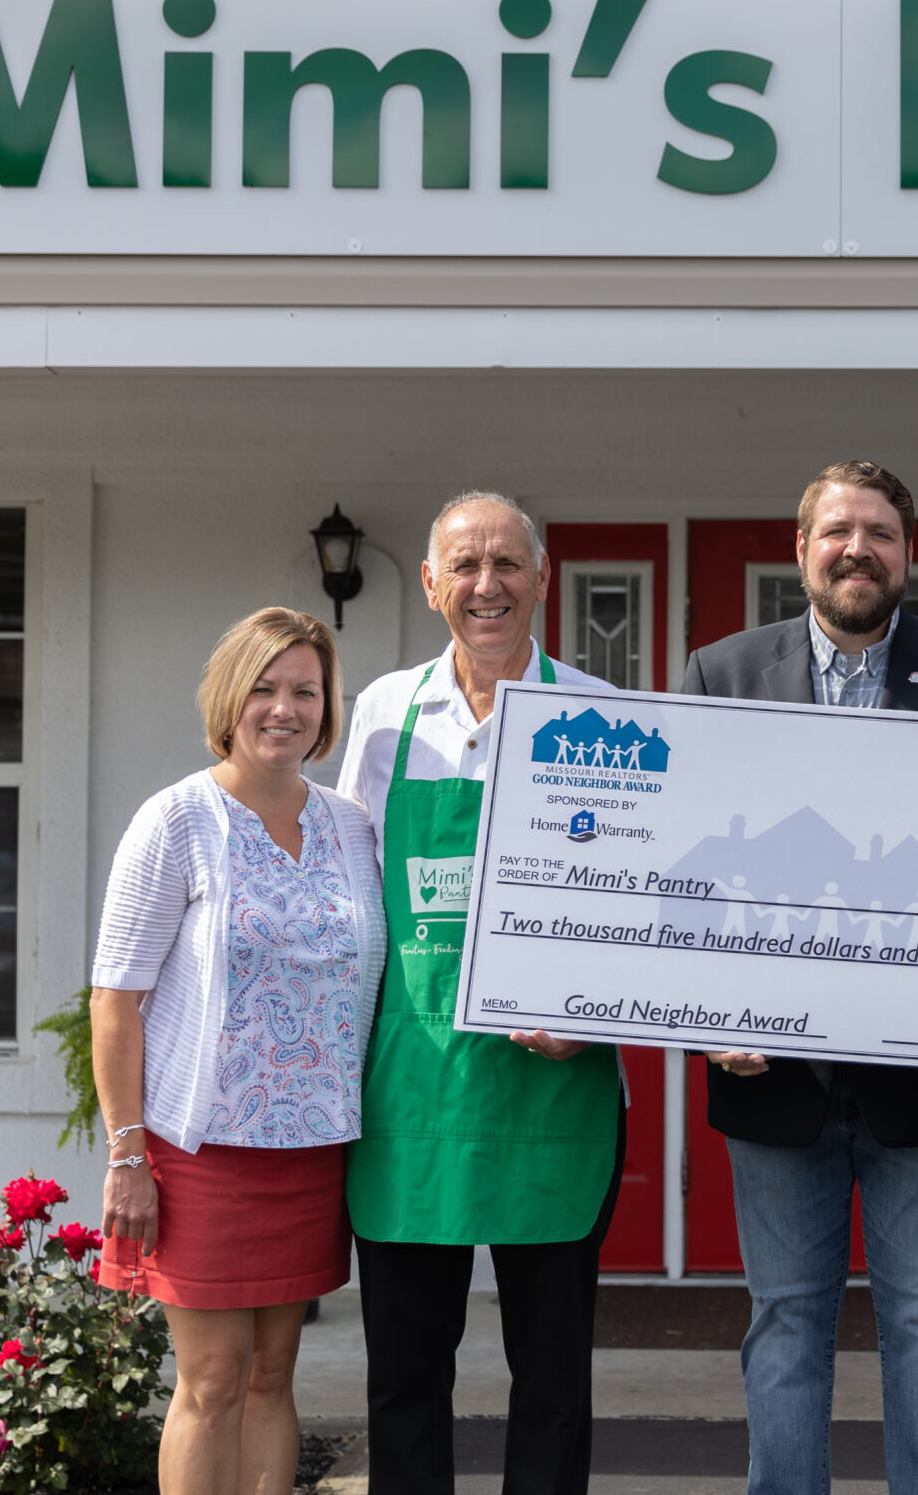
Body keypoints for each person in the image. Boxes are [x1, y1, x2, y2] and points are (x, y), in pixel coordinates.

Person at [680, 459, 918, 1495]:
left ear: (906, 555)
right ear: (801, 551)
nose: (857, 549)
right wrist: (706, 1012)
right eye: (837, 530)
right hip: (771, 1078)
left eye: (878, 532)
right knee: (785, 1321)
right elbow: (686, 865)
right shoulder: (722, 674)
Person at [336, 491, 624, 1495]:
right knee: (406, 1374)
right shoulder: (381, 713)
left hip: (556, 1094)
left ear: (542, 580)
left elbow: (636, 907)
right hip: (410, 1089)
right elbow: (349, 895)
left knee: (551, 1379)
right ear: (429, 583)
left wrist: (592, 1015)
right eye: (464, 565)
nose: (486, 585)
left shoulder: (605, 720)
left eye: (507, 564)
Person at [90, 607, 388, 1495]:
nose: (285, 708)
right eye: (264, 687)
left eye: (306, 689)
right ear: (229, 697)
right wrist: (128, 1151)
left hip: (312, 1150)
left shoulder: (350, 826)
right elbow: (115, 999)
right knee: (213, 1380)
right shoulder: (176, 819)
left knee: (272, 1376)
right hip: (202, 1149)